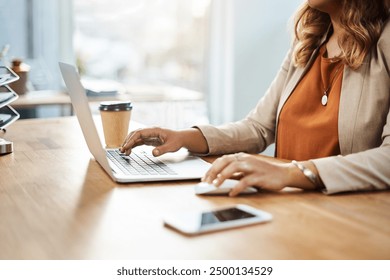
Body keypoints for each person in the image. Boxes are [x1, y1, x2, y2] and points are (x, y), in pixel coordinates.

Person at [121, 0, 390, 196]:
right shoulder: (309, 42)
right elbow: (259, 127)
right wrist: (184, 137)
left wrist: (293, 174)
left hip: (345, 216)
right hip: (287, 205)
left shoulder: (385, 42)